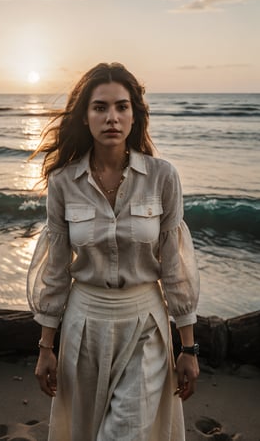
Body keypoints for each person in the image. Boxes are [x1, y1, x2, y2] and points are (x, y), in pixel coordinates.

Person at [27, 62, 200, 441]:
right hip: (84, 326)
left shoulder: (163, 177)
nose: (112, 117)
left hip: (145, 326)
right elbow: (55, 271)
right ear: (85, 116)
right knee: (87, 431)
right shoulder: (62, 183)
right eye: (100, 107)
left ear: (135, 116)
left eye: (122, 107)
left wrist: (189, 347)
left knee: (126, 432)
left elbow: (176, 268)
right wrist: (45, 346)